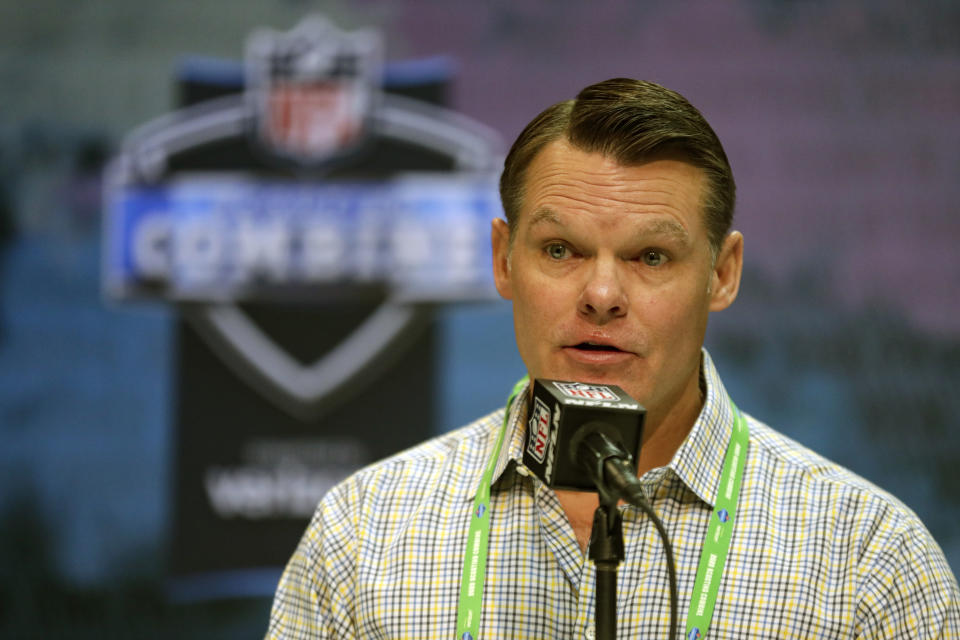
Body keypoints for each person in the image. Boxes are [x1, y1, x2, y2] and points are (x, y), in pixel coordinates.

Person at [266, 78, 959, 639]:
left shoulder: (870, 562)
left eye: (650, 256)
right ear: (505, 259)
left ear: (722, 274)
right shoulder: (364, 533)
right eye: (560, 250)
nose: (601, 295)